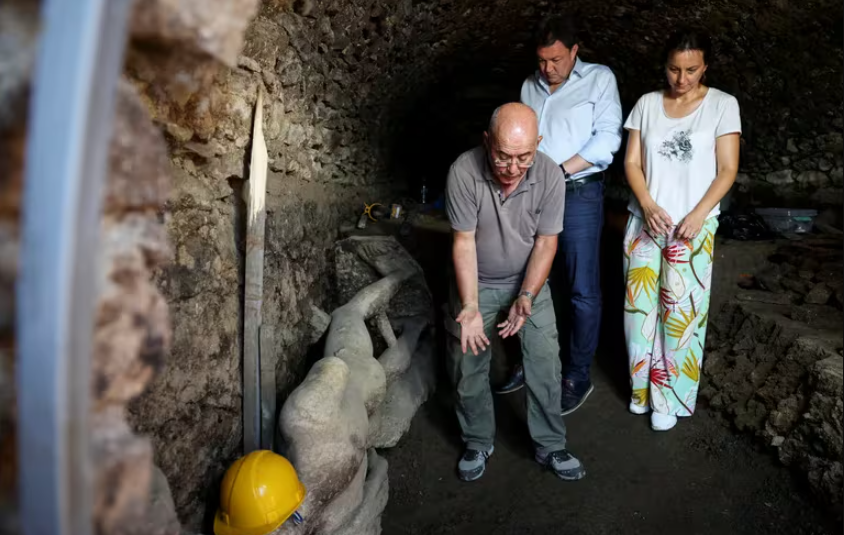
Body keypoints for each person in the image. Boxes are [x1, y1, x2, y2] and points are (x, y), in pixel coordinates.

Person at [444, 102, 585, 482]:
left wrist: (527, 295)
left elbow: (545, 243)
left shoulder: (551, 177)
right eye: (503, 156)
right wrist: (470, 306)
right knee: (467, 365)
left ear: (538, 144)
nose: (512, 169)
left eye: (524, 157)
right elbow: (464, 242)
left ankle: (550, 444)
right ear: (486, 142)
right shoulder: (463, 172)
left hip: (527, 283)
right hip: (477, 282)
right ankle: (477, 440)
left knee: (544, 362)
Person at [496, 15, 623, 417]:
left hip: (580, 192)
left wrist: (559, 171)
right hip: (533, 194)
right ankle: (532, 362)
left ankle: (577, 375)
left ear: (574, 51)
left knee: (582, 288)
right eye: (541, 61)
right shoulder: (528, 86)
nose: (547, 69)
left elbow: (607, 138)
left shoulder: (600, 79)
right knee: (531, 280)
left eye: (555, 60)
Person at [622, 29, 740, 431]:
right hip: (646, 221)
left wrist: (698, 213)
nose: (682, 78)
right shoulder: (646, 104)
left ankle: (668, 399)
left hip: (693, 226)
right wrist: (648, 204)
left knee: (680, 314)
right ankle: (641, 391)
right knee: (639, 312)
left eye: (691, 69)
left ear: (705, 66)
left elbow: (727, 170)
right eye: (674, 69)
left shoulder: (723, 105)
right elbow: (632, 163)